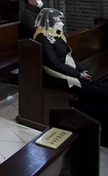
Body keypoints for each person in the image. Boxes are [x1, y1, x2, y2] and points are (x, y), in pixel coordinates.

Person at [33, 8, 108, 145]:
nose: (61, 22)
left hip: (69, 72)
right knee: (101, 93)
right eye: (59, 20)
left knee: (103, 89)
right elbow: (54, 64)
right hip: (57, 77)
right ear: (50, 21)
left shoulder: (56, 35)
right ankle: (103, 134)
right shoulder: (42, 38)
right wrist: (78, 74)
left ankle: (101, 126)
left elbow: (69, 57)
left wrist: (83, 70)